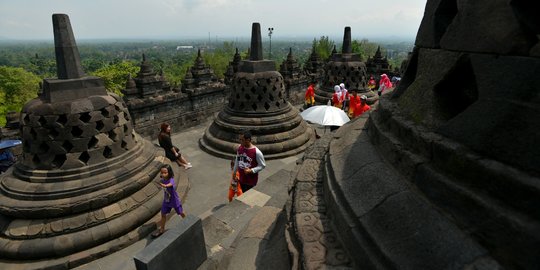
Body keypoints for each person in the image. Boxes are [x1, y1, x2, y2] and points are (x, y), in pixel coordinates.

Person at [153, 164, 186, 238]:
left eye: (165, 173)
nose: (163, 174)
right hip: (167, 200)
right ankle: (162, 229)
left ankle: (187, 220)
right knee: (163, 213)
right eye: (162, 173)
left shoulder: (171, 180)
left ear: (169, 173)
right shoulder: (162, 180)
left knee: (180, 212)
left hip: (174, 200)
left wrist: (165, 185)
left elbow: (171, 184)